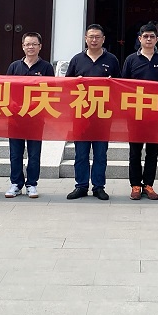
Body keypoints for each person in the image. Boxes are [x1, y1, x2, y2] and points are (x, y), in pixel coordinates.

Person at [65, 24, 121, 201]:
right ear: (85, 39)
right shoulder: (77, 59)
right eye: (91, 37)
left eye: (97, 37)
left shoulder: (112, 60)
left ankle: (98, 187)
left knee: (100, 154)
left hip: (103, 114)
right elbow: (66, 85)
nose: (94, 40)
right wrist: (76, 82)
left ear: (103, 39)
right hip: (81, 114)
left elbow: (120, 86)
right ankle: (81, 186)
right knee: (81, 153)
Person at [121, 21, 158, 201]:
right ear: (139, 39)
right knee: (135, 151)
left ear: (157, 39)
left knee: (153, 151)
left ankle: (148, 184)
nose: (149, 39)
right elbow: (124, 85)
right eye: (145, 36)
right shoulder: (131, 60)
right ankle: (135, 185)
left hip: (156, 114)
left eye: (152, 36)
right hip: (135, 113)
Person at [5, 32, 55, 199]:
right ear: (23, 46)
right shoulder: (14, 66)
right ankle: (16, 183)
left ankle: (31, 184)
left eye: (34, 44)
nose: (30, 47)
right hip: (16, 117)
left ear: (40, 47)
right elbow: (6, 90)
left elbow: (51, 91)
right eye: (27, 44)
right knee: (15, 153)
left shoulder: (46, 67)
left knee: (34, 153)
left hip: (36, 116)